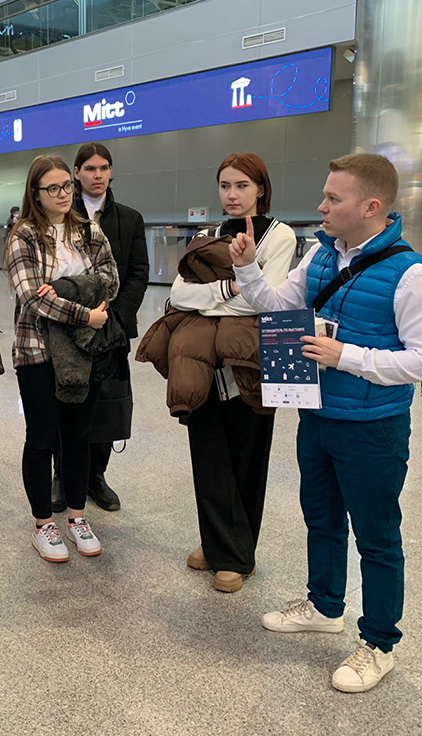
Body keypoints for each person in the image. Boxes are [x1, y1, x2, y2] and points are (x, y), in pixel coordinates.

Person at [231, 153, 422, 693]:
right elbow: (278, 306)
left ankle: (379, 643)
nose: (321, 206)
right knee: (322, 518)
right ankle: (325, 605)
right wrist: (247, 268)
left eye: (333, 198)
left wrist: (345, 355)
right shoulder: (320, 255)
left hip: (373, 427)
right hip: (318, 416)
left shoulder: (412, 275)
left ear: (371, 207)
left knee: (376, 536)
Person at [168, 152, 296, 593]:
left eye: (242, 185)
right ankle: (216, 542)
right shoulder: (207, 235)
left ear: (260, 188)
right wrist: (226, 289)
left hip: (251, 361)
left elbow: (265, 299)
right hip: (204, 361)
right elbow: (179, 294)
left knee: (247, 452)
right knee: (208, 452)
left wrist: (211, 298)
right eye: (225, 186)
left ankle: (238, 555)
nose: (232, 194)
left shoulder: (279, 236)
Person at [3, 154, 119, 563]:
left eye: (66, 185)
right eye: (52, 188)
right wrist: (84, 312)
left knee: (78, 435)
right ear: (35, 193)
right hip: (37, 350)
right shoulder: (23, 236)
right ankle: (43, 523)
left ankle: (76, 517)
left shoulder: (89, 231)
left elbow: (110, 281)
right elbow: (32, 298)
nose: (63, 194)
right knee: (41, 437)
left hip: (84, 350)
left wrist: (64, 290)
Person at [51, 141, 149, 514]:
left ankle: (96, 476)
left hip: (113, 328)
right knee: (68, 398)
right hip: (68, 328)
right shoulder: (60, 215)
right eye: (90, 168)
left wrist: (116, 317)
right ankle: (63, 476)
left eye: (103, 168)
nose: (97, 175)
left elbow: (138, 273)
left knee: (108, 405)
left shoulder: (130, 218)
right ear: (76, 173)